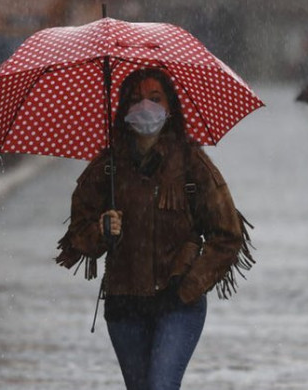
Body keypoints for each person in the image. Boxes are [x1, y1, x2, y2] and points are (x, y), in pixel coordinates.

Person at [55, 68, 253, 390]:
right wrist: (102, 230)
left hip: (177, 306)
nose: (145, 106)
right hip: (124, 306)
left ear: (170, 106)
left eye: (155, 98)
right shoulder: (107, 168)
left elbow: (227, 234)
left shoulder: (192, 164)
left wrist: (189, 285)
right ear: (123, 111)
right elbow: (78, 235)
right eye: (135, 100)